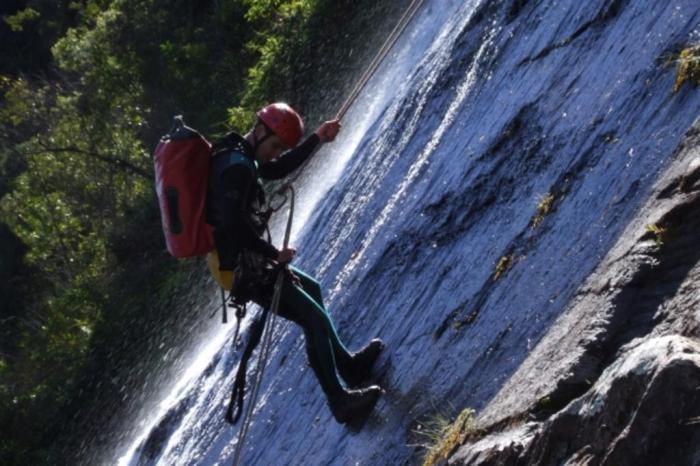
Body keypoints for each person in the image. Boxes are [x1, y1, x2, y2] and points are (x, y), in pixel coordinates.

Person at [206, 102, 384, 423]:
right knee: (312, 320)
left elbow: (275, 169)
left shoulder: (240, 153)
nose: (275, 153)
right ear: (259, 131)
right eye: (274, 146)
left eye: (279, 148)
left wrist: (318, 138)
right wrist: (274, 254)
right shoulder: (238, 167)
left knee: (312, 290)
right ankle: (339, 402)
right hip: (243, 268)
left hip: (245, 259)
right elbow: (232, 225)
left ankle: (348, 365)